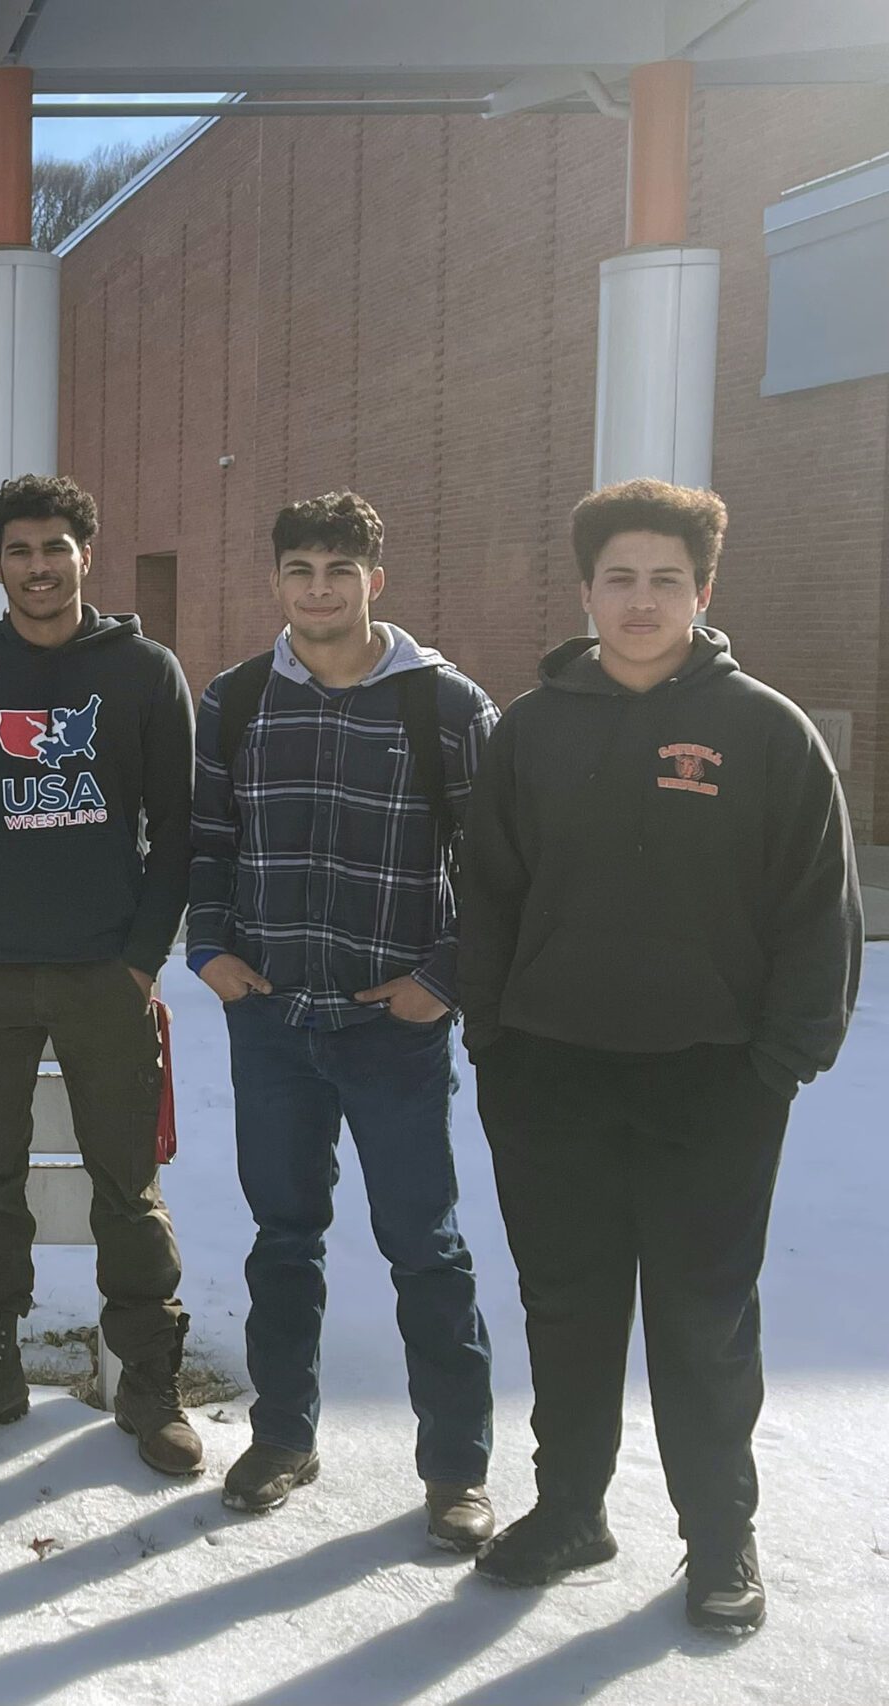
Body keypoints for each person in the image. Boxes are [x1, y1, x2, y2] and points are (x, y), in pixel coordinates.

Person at [460, 479, 862, 1634]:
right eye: (620, 579)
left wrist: (777, 1063)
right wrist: (495, 1040)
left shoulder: (765, 730)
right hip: (550, 1078)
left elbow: (814, 916)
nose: (642, 601)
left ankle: (718, 1536)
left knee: (701, 1318)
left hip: (712, 1085)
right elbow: (485, 896)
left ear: (702, 590)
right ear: (584, 589)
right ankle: (570, 1509)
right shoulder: (529, 730)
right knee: (569, 1308)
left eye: (666, 580)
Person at [187, 492, 498, 1547]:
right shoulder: (232, 701)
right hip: (271, 1018)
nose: (319, 588)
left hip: (392, 1023)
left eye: (339, 568)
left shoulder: (444, 705)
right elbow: (203, 842)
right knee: (283, 1236)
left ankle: (456, 1469)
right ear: (274, 580)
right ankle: (282, 1435)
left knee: (425, 1243)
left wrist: (442, 977)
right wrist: (211, 949)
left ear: (378, 579)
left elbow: (498, 866)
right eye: (299, 569)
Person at [0, 474, 201, 1473]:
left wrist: (137, 960)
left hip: (100, 978)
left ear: (84, 556)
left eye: (56, 547)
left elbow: (179, 833)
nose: (39, 566)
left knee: (126, 1185)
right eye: (20, 550)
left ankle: (148, 1379)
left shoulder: (145, 673)